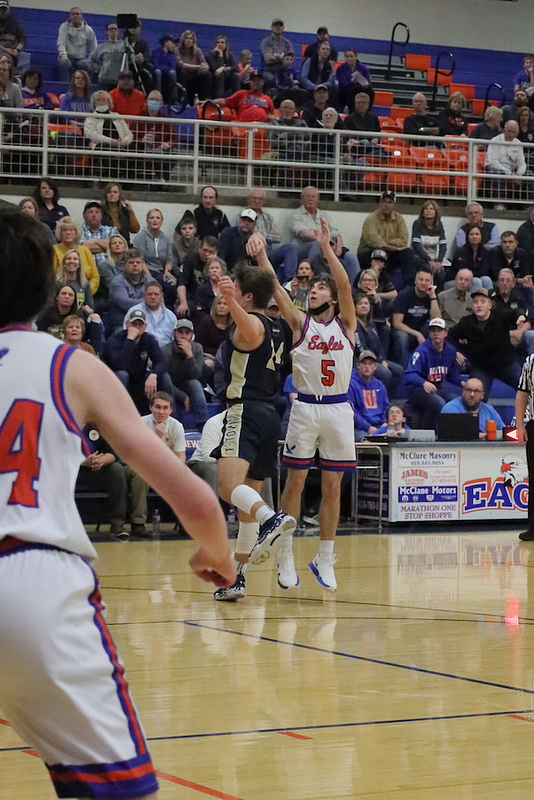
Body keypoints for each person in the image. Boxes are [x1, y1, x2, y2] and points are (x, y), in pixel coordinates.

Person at [0, 208, 233, 800]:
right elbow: (192, 494)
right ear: (49, 292)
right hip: (33, 581)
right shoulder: (69, 365)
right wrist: (217, 553)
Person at [249, 219, 356, 592]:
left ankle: (325, 557)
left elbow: (345, 284)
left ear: (332, 298)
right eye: (311, 289)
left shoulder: (346, 324)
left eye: (320, 288)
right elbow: (275, 287)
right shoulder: (299, 324)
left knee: (332, 486)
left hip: (338, 409)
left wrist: (326, 248)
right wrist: (262, 256)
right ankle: (285, 553)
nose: (314, 291)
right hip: (306, 407)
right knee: (294, 480)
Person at [210, 255, 295, 601]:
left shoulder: (255, 326)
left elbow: (249, 331)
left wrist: (229, 300)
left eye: (237, 288)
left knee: (228, 488)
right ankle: (236, 577)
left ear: (246, 297)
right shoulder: (280, 327)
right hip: (270, 416)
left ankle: (271, 519)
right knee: (246, 503)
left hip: (245, 411)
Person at [125, 392, 186, 537]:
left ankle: (185, 523)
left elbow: (180, 456)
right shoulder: (140, 423)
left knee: (184, 476)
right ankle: (138, 524)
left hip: (166, 467)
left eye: (165, 408)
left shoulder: (176, 426)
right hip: (140, 466)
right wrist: (156, 437)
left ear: (171, 410)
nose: (161, 412)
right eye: (158, 407)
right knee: (140, 475)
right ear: (151, 407)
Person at [448, 287, 524, 399]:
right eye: (475, 302)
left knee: (527, 385)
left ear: (490, 305)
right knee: (474, 394)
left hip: (506, 364)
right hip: (481, 367)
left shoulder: (500, 316)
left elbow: (516, 312)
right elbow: (449, 337)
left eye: (483, 302)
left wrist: (520, 316)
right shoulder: (466, 322)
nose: (479, 305)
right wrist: (456, 351)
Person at [103, 306, 173, 413]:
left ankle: (171, 417)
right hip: (115, 383)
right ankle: (118, 414)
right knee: (123, 375)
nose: (136, 327)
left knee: (164, 377)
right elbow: (120, 365)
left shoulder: (148, 339)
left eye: (140, 324)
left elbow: (161, 361)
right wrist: (130, 340)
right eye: (133, 324)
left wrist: (154, 375)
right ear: (127, 324)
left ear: (145, 326)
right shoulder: (115, 340)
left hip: (139, 381)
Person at [403, 317, 463, 430]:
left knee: (455, 401)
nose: (436, 333)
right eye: (433, 330)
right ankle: (432, 432)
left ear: (445, 333)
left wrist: (462, 383)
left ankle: (452, 433)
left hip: (436, 388)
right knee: (438, 402)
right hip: (416, 389)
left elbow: (451, 374)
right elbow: (410, 373)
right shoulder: (421, 351)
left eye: (439, 330)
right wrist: (423, 383)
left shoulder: (450, 350)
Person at [76, 423, 128, 538]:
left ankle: (117, 525)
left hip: (95, 469)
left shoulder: (97, 424)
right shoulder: (65, 422)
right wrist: (82, 461)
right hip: (70, 471)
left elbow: (112, 453)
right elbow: (58, 454)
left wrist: (101, 460)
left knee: (117, 470)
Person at [358, 190, 417, 286]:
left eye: (390, 202)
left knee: (407, 253)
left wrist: (387, 244)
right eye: (384, 202)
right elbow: (372, 240)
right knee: (378, 251)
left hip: (390, 253)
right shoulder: (371, 218)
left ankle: (410, 286)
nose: (386, 205)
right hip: (370, 252)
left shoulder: (399, 219)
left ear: (394, 205)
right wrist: (390, 246)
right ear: (380, 204)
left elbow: (403, 240)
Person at [161, 318, 209, 430]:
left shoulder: (197, 348)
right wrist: (183, 396)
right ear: (174, 333)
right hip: (168, 386)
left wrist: (189, 355)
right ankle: (173, 424)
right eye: (180, 332)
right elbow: (163, 379)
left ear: (192, 335)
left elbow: (196, 375)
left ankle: (203, 425)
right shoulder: (165, 350)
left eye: (187, 333)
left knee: (195, 383)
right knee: (166, 378)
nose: (183, 336)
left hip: (186, 383)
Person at [245, 187, 298, 283]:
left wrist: (260, 236)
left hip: (269, 251)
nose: (257, 201)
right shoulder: (243, 215)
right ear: (248, 199)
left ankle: (289, 282)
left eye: (260, 198)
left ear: (264, 201)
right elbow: (244, 233)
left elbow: (277, 237)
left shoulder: (268, 217)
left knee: (291, 247)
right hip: (252, 252)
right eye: (254, 198)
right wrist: (265, 235)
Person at [391, 268, 441, 367]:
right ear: (415, 281)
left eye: (427, 280)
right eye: (421, 279)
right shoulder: (404, 295)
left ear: (431, 283)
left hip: (422, 329)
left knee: (435, 331)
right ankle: (405, 369)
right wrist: (417, 334)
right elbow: (397, 323)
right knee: (401, 336)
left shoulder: (432, 296)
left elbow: (437, 321)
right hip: (405, 331)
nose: (423, 283)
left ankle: (431, 367)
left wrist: (432, 296)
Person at [132, 208, 175, 304]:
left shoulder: (166, 239)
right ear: (147, 221)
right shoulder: (141, 237)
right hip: (145, 271)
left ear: (162, 221)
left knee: (172, 286)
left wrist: (167, 271)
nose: (155, 220)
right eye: (152, 218)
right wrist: (149, 277)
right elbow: (140, 259)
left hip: (161, 271)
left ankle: (169, 310)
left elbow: (169, 258)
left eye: (158, 218)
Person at [53, 216, 100, 295]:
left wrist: (87, 292)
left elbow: (95, 276)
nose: (68, 233)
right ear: (60, 233)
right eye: (64, 230)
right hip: (62, 294)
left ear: (76, 233)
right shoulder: (54, 250)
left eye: (71, 230)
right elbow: (51, 276)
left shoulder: (85, 250)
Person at [485, 120, 527, 207]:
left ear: (517, 133)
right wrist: (509, 174)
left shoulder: (518, 143)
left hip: (512, 171)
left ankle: (526, 205)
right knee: (497, 173)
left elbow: (521, 162)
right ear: (504, 130)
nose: (511, 134)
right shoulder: (495, 140)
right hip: (497, 168)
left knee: (529, 175)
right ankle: (498, 203)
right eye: (509, 131)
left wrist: (519, 174)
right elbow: (493, 162)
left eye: (513, 132)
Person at [108, 247, 151, 330]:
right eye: (131, 262)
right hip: (122, 322)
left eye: (138, 262)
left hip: (146, 321)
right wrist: (149, 302)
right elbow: (125, 303)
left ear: (143, 264)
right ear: (124, 265)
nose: (135, 265)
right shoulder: (117, 282)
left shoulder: (150, 281)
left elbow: (160, 301)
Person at [176, 235, 218, 318]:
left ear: (216, 253)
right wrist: (183, 302)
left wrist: (212, 263)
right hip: (192, 298)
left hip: (210, 299)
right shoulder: (190, 259)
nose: (207, 254)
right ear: (200, 248)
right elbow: (181, 283)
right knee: (183, 311)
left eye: (211, 252)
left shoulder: (218, 265)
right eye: (205, 250)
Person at [211, 70, 276, 123]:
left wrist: (270, 117)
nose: (256, 82)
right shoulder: (242, 93)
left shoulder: (268, 99)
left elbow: (271, 115)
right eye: (254, 80)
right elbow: (225, 101)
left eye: (258, 80)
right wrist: (210, 102)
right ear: (250, 83)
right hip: (243, 126)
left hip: (261, 127)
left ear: (263, 82)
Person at [515, 354, 534, 540]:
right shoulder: (531, 361)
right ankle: (533, 528)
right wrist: (520, 425)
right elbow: (522, 393)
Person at [126, 280, 177, 346]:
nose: (153, 297)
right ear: (144, 295)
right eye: (150, 294)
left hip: (166, 351)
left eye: (156, 294)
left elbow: (174, 340)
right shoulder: (133, 311)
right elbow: (127, 335)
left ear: (162, 296)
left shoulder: (171, 316)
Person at [411, 199, 447, 287]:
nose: (428, 211)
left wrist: (439, 261)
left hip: (435, 259)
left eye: (431, 209)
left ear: (436, 212)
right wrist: (429, 260)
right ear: (423, 212)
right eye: (426, 209)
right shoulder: (417, 224)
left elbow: (443, 245)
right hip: (420, 258)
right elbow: (416, 245)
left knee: (442, 274)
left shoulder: (439, 225)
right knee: (428, 269)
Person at [57, 6, 97, 82]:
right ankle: (64, 85)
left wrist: (92, 59)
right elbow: (61, 43)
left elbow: (94, 46)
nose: (75, 16)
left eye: (77, 14)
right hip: (68, 57)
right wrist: (63, 55)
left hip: (81, 59)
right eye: (73, 14)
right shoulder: (63, 27)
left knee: (90, 65)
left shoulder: (88, 29)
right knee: (63, 63)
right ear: (70, 17)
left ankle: (86, 86)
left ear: (81, 16)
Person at [449, 225, 493, 290]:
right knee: (476, 281)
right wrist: (476, 273)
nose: (474, 237)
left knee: (486, 279)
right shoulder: (461, 252)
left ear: (481, 236)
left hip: (476, 278)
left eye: (477, 234)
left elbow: (485, 271)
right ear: (467, 237)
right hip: (456, 281)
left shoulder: (485, 252)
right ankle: (472, 297)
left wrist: (475, 273)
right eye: (471, 234)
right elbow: (462, 272)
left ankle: (491, 296)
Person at [175, 29, 210, 105]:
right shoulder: (177, 50)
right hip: (183, 75)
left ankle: (204, 99)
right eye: (186, 38)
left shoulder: (197, 50)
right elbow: (182, 64)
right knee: (183, 72)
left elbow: (205, 63)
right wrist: (199, 66)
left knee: (207, 74)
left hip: (195, 76)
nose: (188, 40)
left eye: (191, 39)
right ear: (183, 40)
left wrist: (205, 66)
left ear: (193, 41)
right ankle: (184, 98)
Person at [89, 19, 125, 92]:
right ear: (107, 32)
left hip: (119, 82)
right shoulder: (101, 47)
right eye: (111, 29)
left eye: (115, 29)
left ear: (118, 31)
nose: (113, 31)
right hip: (104, 81)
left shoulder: (124, 46)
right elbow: (90, 60)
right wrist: (99, 69)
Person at [80, 199, 118, 267]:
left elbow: (115, 248)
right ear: (84, 215)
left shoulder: (111, 230)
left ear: (101, 215)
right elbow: (83, 247)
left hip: (109, 270)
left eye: (97, 212)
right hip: (86, 270)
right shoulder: (78, 231)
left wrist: (92, 241)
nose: (94, 215)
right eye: (90, 212)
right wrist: (106, 246)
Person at [121, 18, 154, 95]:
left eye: (136, 26)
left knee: (149, 70)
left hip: (140, 68)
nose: (134, 28)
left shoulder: (143, 43)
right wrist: (131, 59)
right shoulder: (122, 42)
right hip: (126, 67)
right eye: (132, 26)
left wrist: (142, 59)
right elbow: (120, 56)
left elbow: (147, 57)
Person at [260, 18, 294, 87]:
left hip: (284, 70)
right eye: (276, 25)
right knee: (271, 79)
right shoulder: (266, 41)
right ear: (272, 27)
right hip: (269, 70)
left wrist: (275, 56)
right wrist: (282, 58)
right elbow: (268, 58)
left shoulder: (287, 43)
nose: (278, 27)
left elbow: (291, 58)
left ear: (283, 28)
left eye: (280, 26)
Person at [206, 34, 238, 98]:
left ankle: (237, 98)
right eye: (218, 42)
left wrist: (224, 68)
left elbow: (236, 67)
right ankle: (219, 98)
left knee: (234, 75)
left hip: (226, 80)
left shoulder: (230, 55)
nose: (220, 44)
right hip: (213, 78)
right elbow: (215, 68)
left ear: (226, 45)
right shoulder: (210, 55)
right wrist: (220, 56)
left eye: (222, 42)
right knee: (221, 74)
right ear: (215, 44)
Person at [152, 34, 179, 106]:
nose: (174, 45)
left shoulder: (172, 54)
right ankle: (158, 97)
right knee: (158, 72)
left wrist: (163, 68)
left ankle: (173, 98)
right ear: (166, 43)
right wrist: (166, 68)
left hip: (168, 74)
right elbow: (156, 65)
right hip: (158, 74)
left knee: (172, 73)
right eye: (172, 43)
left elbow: (173, 67)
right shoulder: (156, 52)